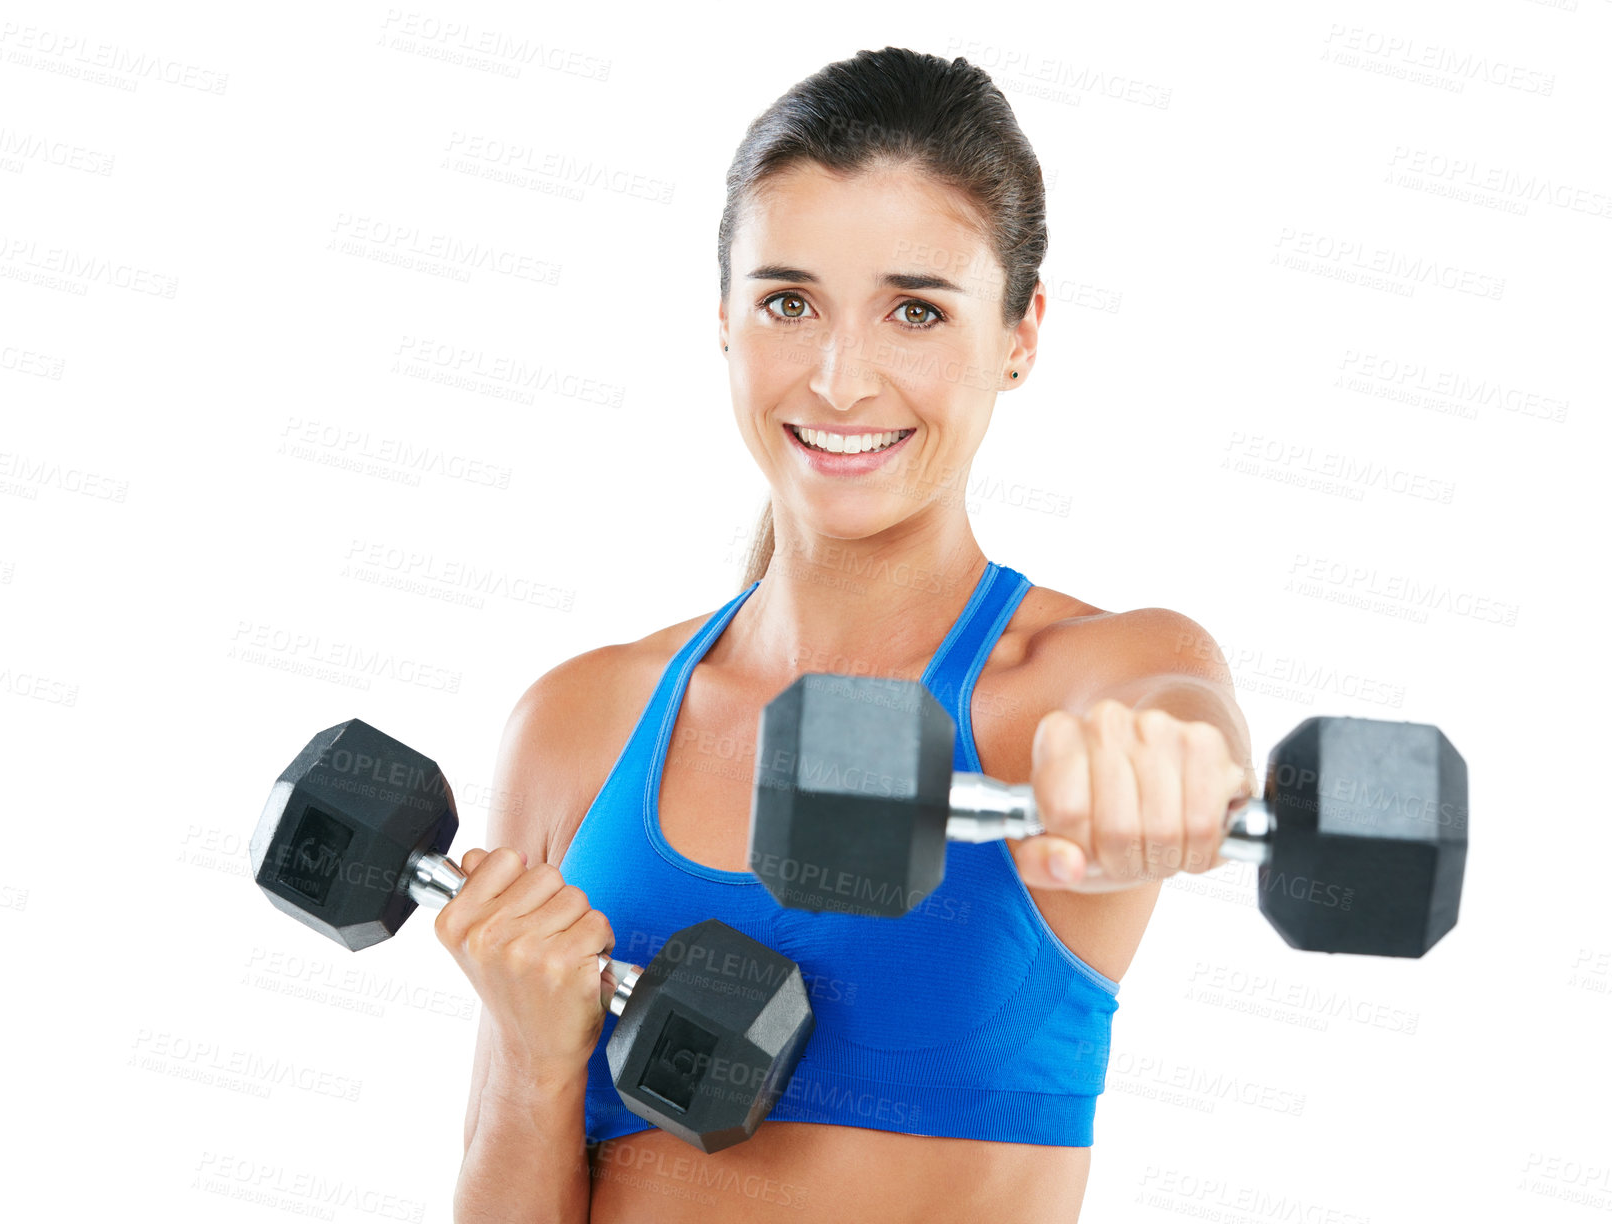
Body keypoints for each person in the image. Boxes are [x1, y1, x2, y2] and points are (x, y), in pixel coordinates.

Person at [432, 46, 1253, 1224]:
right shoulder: (579, 720)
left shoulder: (1080, 684)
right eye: (788, 302)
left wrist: (1164, 772)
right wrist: (530, 1054)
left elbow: (1183, 719)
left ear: (1020, 334)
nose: (839, 377)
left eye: (914, 310)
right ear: (723, 318)